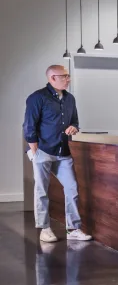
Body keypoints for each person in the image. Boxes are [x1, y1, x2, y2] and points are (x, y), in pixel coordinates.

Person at [23, 65, 92, 243]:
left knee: (72, 189)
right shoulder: (37, 98)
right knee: (42, 191)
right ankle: (45, 229)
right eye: (64, 76)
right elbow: (29, 127)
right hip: (43, 152)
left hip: (63, 152)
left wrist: (74, 127)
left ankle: (73, 229)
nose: (68, 79)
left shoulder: (70, 99)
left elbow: (75, 121)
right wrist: (35, 152)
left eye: (68, 76)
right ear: (52, 78)